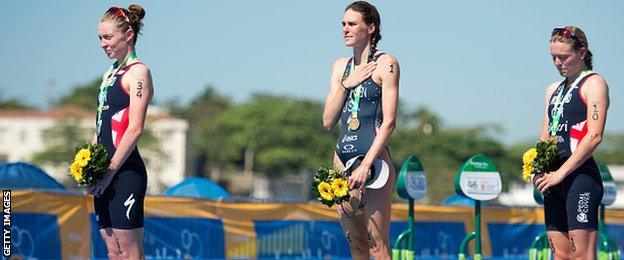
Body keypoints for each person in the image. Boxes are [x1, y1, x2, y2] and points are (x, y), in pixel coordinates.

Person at [322, 1, 399, 259]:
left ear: (371, 27)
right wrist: (346, 85)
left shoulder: (386, 63)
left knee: (377, 244)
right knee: (355, 241)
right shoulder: (340, 67)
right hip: (342, 159)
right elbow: (328, 121)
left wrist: (367, 164)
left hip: (373, 161)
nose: (345, 29)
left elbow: (389, 122)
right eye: (343, 24)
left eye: (352, 24)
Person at [534, 25, 609, 259]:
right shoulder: (552, 90)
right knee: (560, 256)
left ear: (582, 53)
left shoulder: (594, 83)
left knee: (582, 256)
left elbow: (594, 135)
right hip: (553, 180)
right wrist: (537, 170)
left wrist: (562, 173)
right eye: (553, 57)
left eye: (564, 57)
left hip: (579, 177)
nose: (558, 62)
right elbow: (544, 136)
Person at [88, 4, 153, 259]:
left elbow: (135, 128)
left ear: (127, 35)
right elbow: (100, 127)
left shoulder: (138, 73)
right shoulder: (109, 75)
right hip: (105, 174)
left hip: (125, 173)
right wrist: (90, 168)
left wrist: (110, 172)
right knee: (112, 251)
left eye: (107, 37)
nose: (103, 44)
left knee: (128, 251)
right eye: (100, 38)